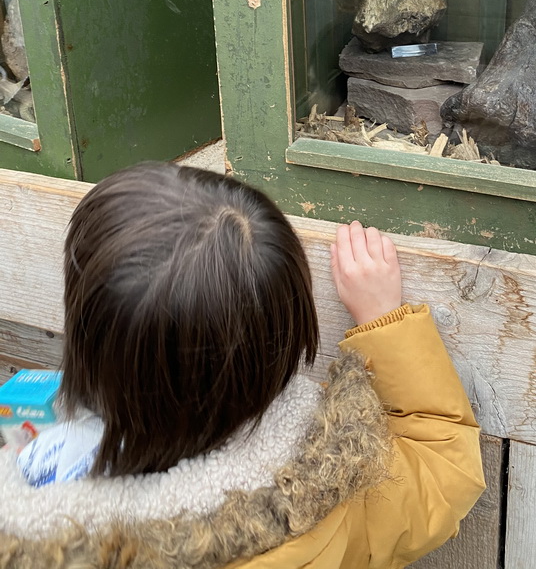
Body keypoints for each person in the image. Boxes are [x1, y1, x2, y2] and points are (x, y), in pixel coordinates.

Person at [0, 162, 484, 567]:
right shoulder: (333, 494)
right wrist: (384, 320)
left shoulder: (30, 527)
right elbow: (443, 470)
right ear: (283, 342)